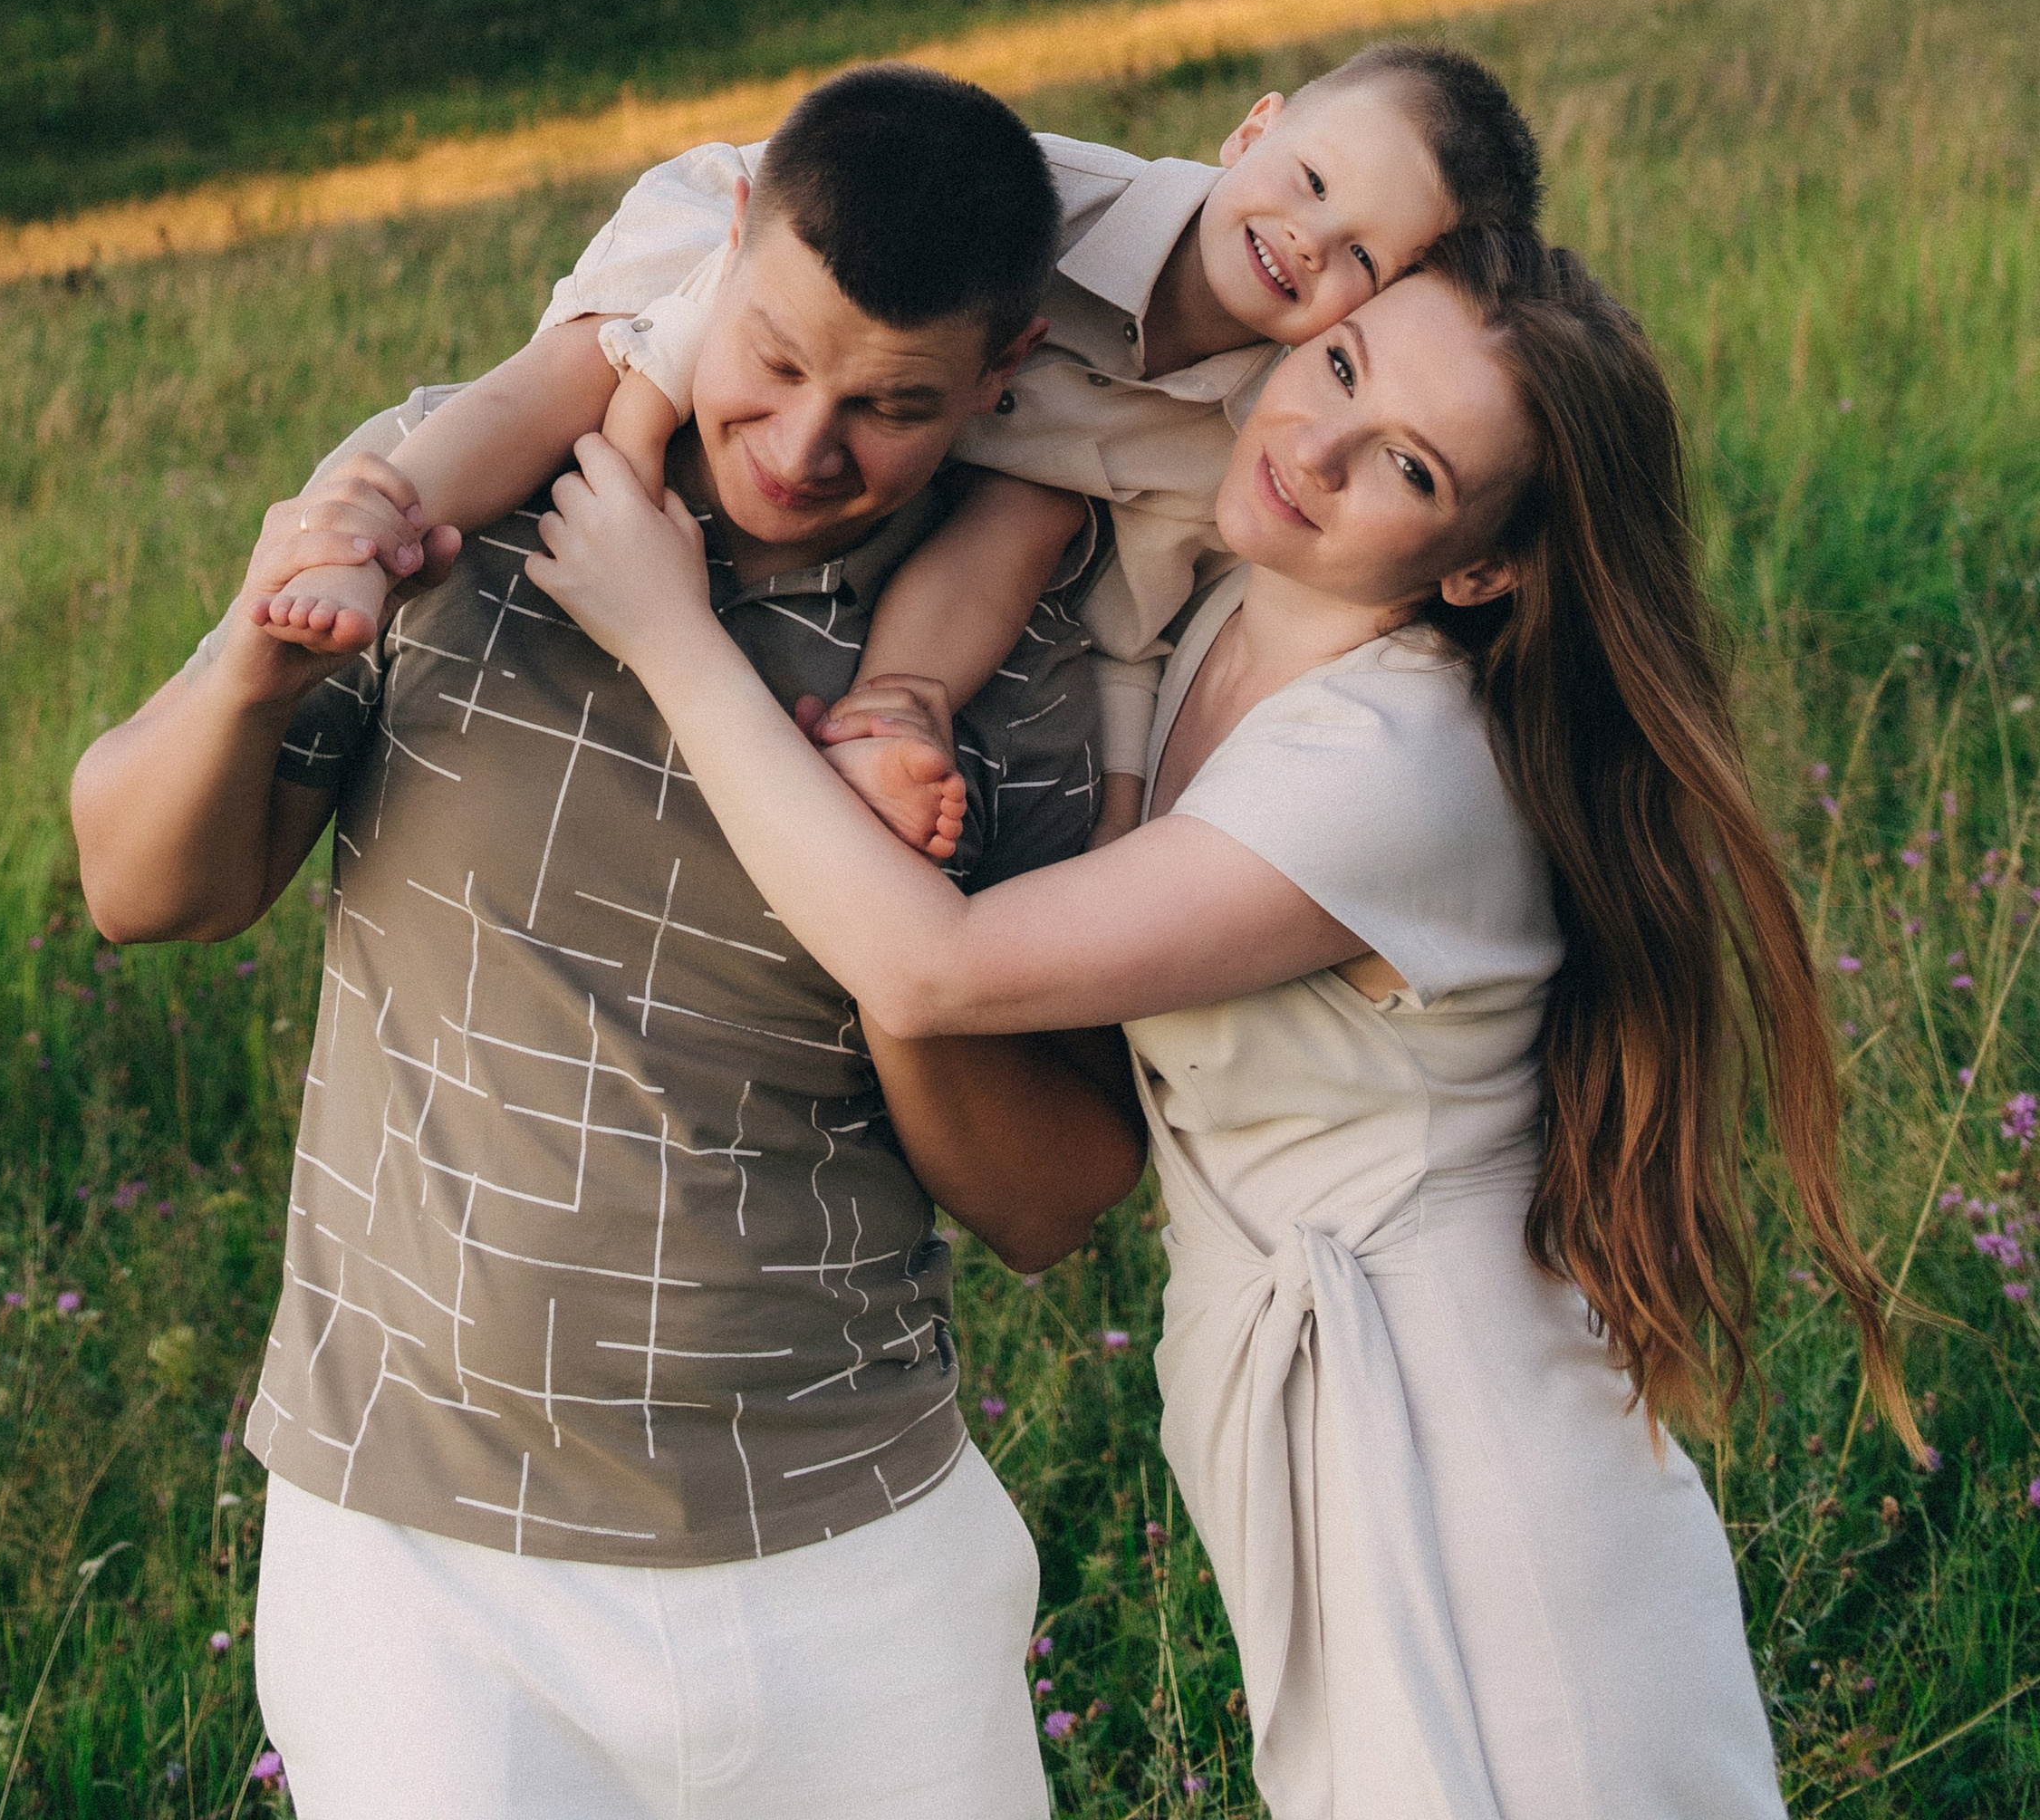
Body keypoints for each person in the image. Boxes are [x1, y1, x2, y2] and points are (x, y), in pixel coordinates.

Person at [527, 233, 1914, 1819]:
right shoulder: (1212, 602)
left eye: (1402, 462)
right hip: (1295, 1397)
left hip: (1468, 1443)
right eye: (1337, 368)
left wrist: (668, 635)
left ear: (1481, 566)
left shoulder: (1400, 761)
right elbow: (1025, 229)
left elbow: (935, 972)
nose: (1310, 452)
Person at [71, 64, 1146, 1820]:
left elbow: (1050, 1203)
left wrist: (898, 922)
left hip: (852, 1552)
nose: (804, 447)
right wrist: (254, 668)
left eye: (891, 405)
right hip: (423, 1570)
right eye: (778, 358)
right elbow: (139, 885)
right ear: (717, 248)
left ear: (1006, 371)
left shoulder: (1015, 652)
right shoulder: (456, 494)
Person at [258, 40, 1541, 855]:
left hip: (968, 449)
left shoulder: (1237, 435)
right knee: (578, 369)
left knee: (1040, 517)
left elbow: (1133, 625)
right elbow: (787, 257)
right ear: (1253, 133)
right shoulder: (1045, 195)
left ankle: (893, 705)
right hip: (754, 263)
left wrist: (1115, 810)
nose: (1310, 239)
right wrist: (639, 445)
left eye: (1361, 255)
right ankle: (372, 528)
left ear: (1382, 308)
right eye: (1311, 180)